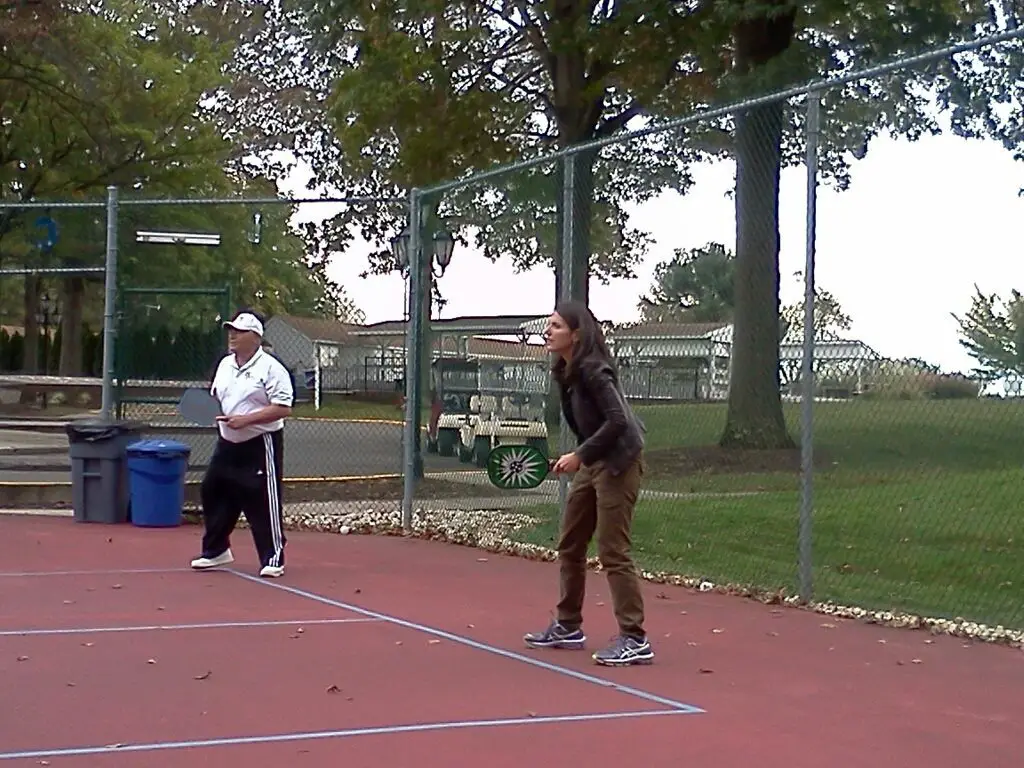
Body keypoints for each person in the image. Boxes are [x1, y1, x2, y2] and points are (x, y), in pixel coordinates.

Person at [523, 301, 653, 666]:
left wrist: (580, 455)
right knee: (571, 543)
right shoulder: (566, 372)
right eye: (548, 326)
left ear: (576, 334)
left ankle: (634, 638)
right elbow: (592, 427)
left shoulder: (596, 370)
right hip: (594, 461)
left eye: (556, 326)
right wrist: (579, 457)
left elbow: (618, 421)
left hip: (619, 463)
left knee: (613, 550)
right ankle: (568, 626)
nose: (548, 332)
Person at [189, 310, 294, 578]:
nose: (232, 336)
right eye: (230, 331)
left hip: (260, 443)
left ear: (255, 337)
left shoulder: (272, 368)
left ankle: (273, 557)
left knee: (261, 500)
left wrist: (246, 420)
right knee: (212, 490)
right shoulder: (225, 364)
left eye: (239, 331)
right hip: (227, 442)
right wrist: (215, 414)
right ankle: (216, 551)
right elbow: (217, 397)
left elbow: (283, 408)